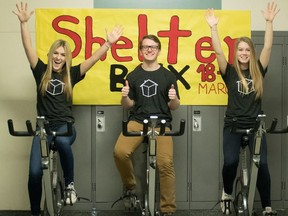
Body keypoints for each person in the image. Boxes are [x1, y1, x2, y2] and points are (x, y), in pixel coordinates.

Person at [13, 2, 122, 216]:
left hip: (65, 127)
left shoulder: (71, 74)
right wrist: (24, 24)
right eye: (55, 53)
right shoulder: (40, 72)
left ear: (67, 58)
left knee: (63, 142)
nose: (58, 57)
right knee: (34, 173)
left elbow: (92, 59)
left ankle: (70, 185)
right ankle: (35, 212)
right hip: (43, 128)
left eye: (62, 54)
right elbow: (28, 48)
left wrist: (108, 44)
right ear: (51, 54)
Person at [205, 2, 279, 216]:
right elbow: (218, 50)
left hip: (256, 126)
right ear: (236, 52)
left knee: (262, 164)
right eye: (241, 49)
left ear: (251, 53)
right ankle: (227, 193)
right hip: (233, 125)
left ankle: (267, 207)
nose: (244, 53)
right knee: (230, 161)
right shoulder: (228, 72)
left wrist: (268, 22)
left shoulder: (258, 70)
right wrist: (213, 28)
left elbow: (267, 48)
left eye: (247, 50)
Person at [113, 34, 180, 216]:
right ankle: (130, 186)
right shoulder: (133, 75)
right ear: (140, 51)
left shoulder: (168, 76)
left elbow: (174, 106)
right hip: (137, 121)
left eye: (153, 47)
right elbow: (128, 105)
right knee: (120, 152)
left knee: (166, 164)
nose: (149, 50)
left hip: (161, 123)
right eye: (145, 47)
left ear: (158, 50)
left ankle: (167, 210)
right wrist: (125, 96)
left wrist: (173, 99)